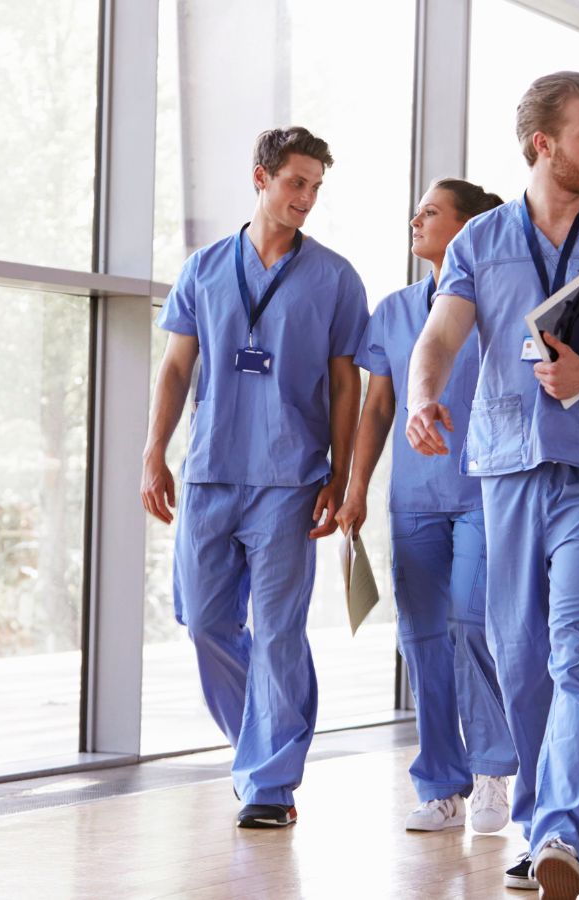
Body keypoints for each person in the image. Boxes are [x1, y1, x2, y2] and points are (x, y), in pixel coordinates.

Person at [404, 72, 579, 899]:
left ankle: (565, 831)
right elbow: (440, 337)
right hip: (505, 470)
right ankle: (538, 826)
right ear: (543, 144)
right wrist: (424, 398)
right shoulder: (481, 240)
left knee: (577, 653)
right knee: (522, 658)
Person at [141, 126, 368, 830]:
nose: (306, 198)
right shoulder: (205, 269)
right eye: (296, 182)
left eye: (316, 187)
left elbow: (344, 384)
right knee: (205, 621)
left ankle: (270, 782)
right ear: (261, 178)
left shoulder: (334, 277)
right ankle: (257, 747)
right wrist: (154, 452)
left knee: (277, 633)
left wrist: (340, 471)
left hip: (291, 478)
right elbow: (178, 367)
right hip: (211, 471)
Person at [336, 178, 517, 835]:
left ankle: (495, 768)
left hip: (484, 492)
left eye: (432, 212)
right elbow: (378, 405)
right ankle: (442, 784)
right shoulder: (393, 309)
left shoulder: (501, 307)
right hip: (413, 500)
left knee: (471, 623)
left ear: (469, 229)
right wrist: (355, 489)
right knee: (422, 641)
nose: (416, 218)